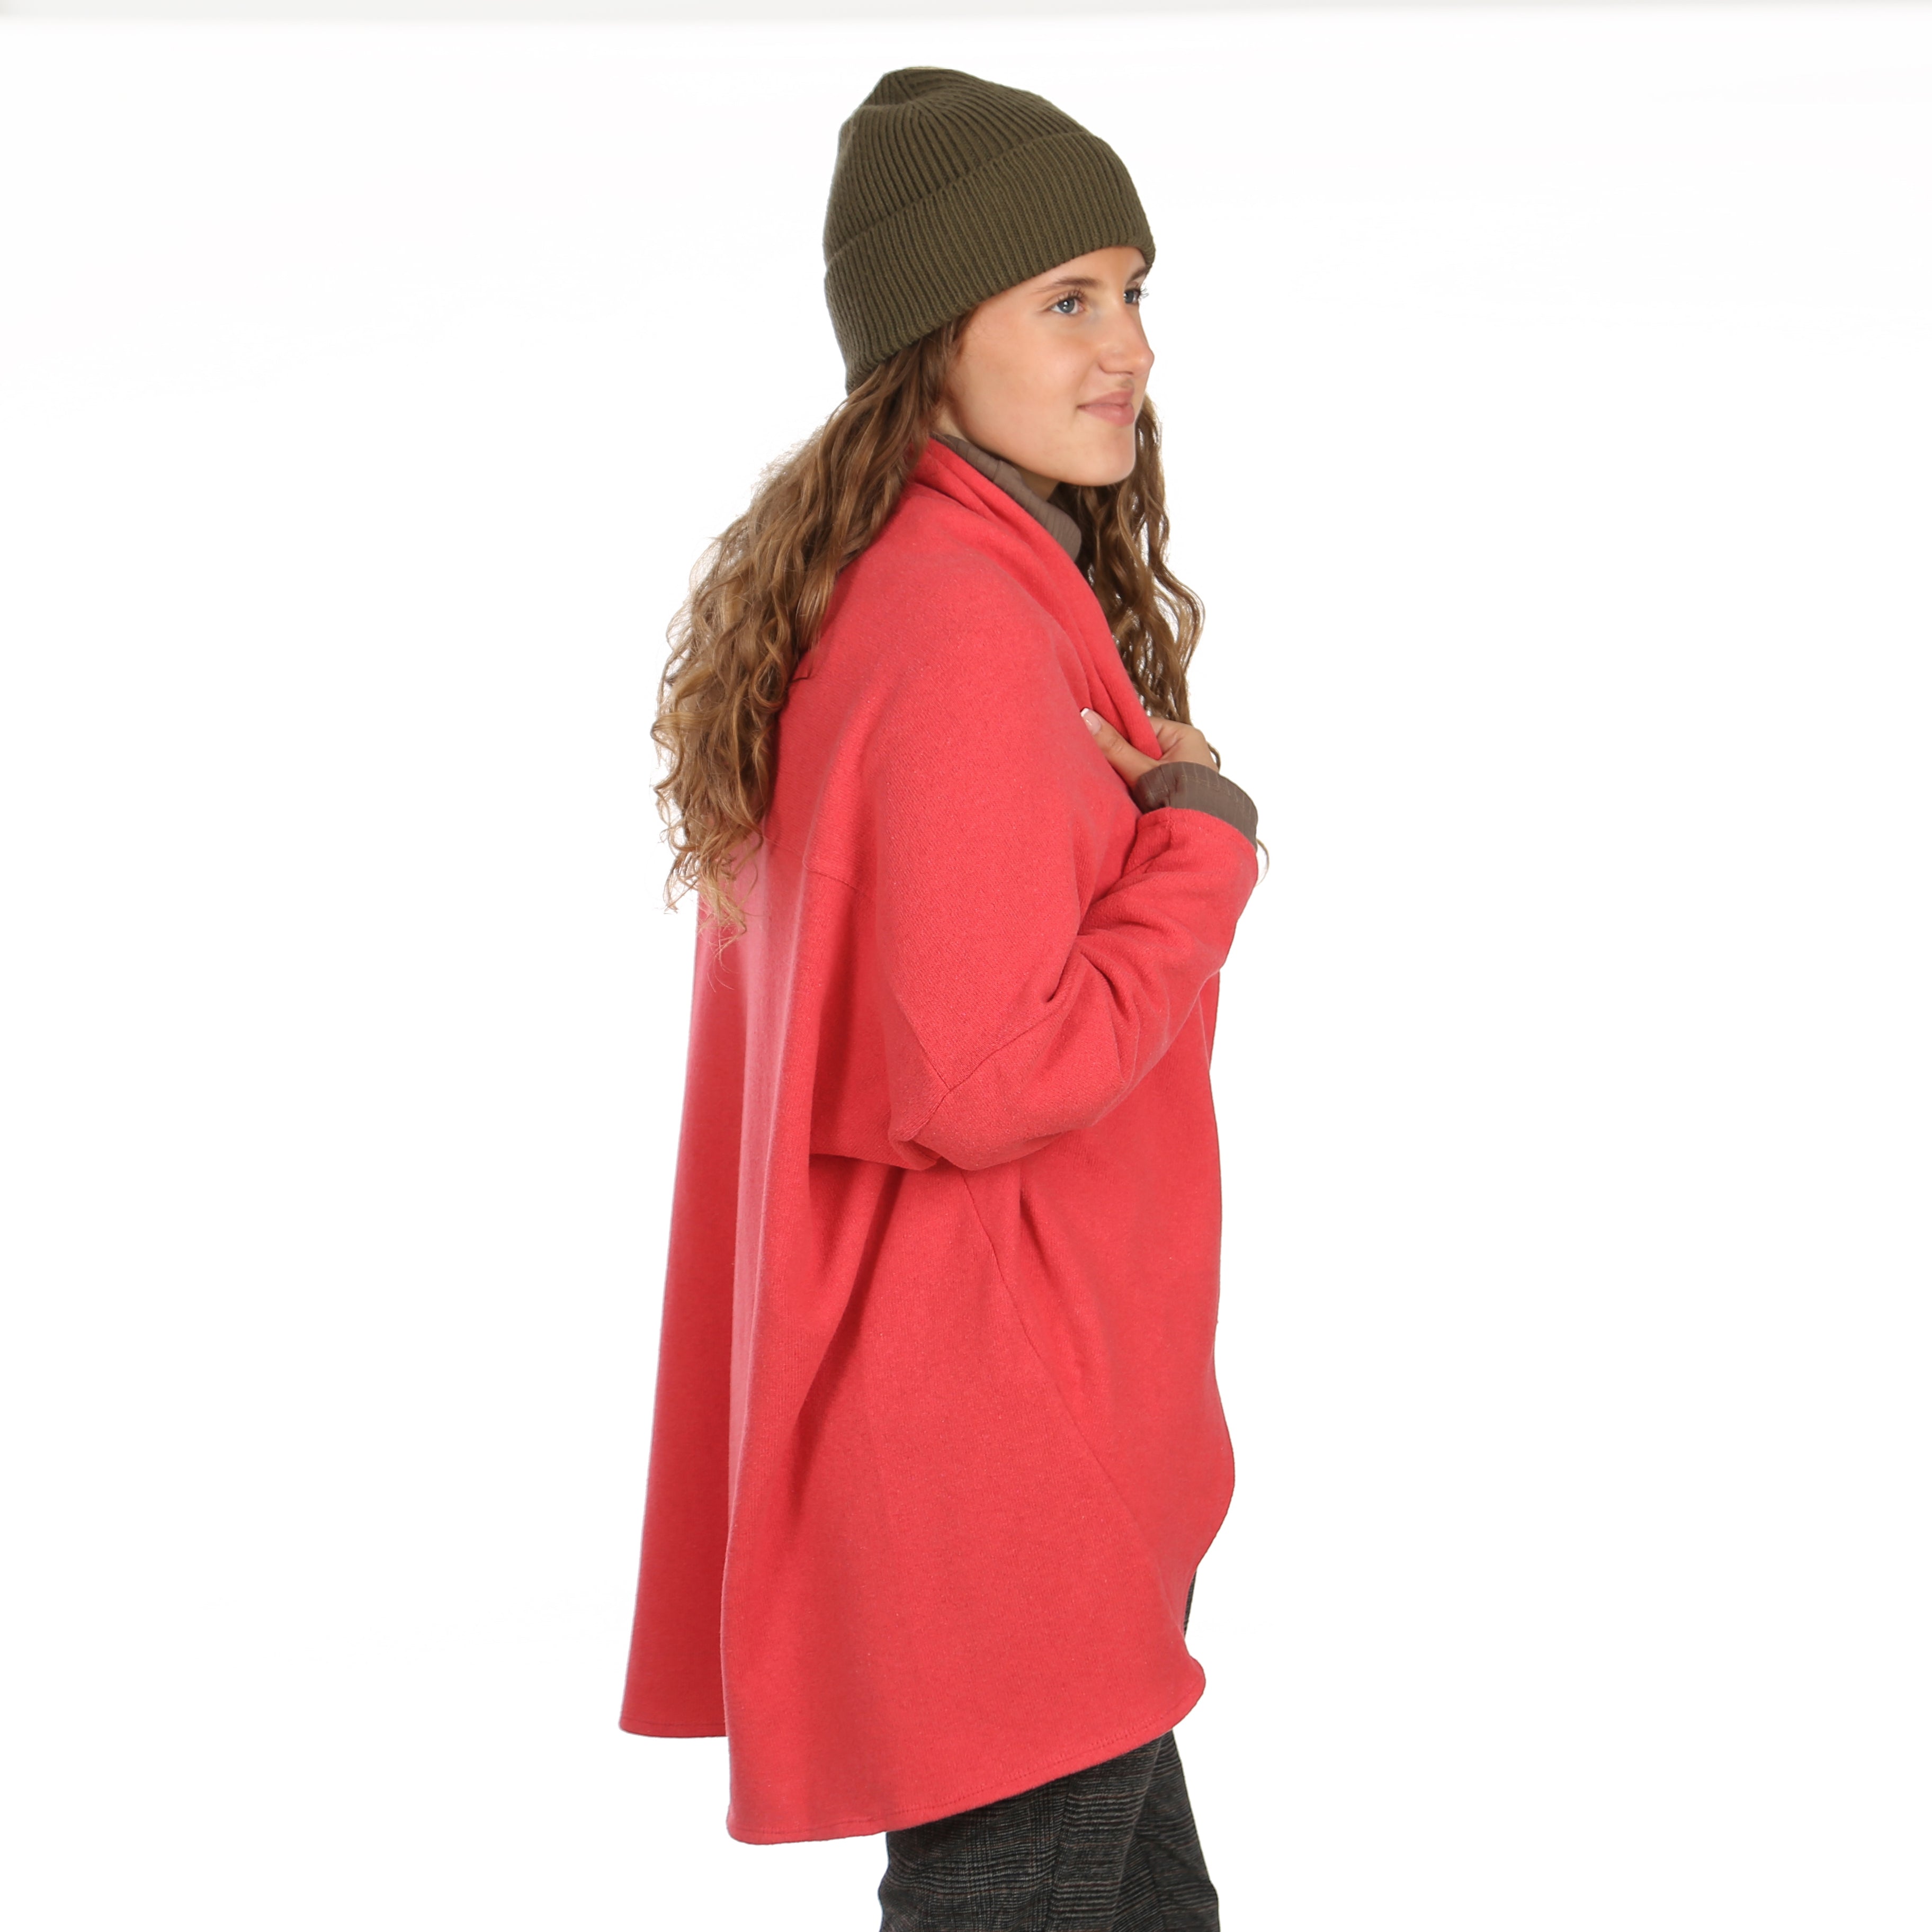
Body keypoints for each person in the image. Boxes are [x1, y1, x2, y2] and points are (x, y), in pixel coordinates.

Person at [619, 66, 1264, 1930]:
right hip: (1006, 1445)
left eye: (1132, 291)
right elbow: (984, 1079)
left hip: (1015, 1412)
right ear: (930, 343)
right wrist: (1203, 845)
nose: (1128, 348)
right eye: (1066, 300)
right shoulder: (961, 624)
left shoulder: (917, 585)